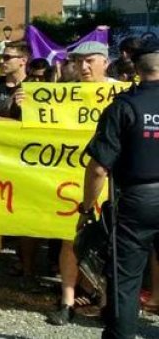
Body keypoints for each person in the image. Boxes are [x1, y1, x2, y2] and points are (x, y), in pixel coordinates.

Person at [80, 37, 159, 339]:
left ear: (136, 68)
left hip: (138, 200)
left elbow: (99, 167)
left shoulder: (124, 107)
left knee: (126, 279)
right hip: (140, 197)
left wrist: (87, 207)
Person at [49, 39, 120, 325]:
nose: (84, 66)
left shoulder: (121, 93)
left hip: (113, 181)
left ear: (106, 62)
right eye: (79, 61)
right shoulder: (60, 94)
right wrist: (25, 108)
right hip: (71, 180)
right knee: (71, 240)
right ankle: (67, 301)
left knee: (111, 243)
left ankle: (105, 300)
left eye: (90, 60)